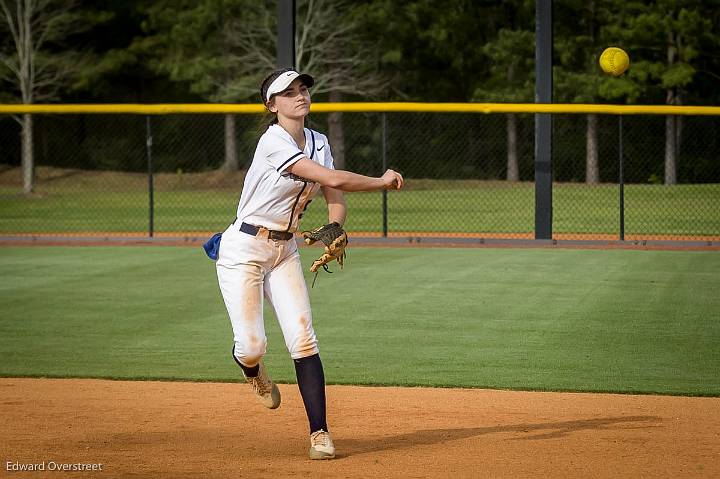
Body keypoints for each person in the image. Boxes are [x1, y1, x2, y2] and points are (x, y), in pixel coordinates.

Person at [211, 68, 403, 460]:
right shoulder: (272, 141)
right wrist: (380, 181)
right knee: (252, 346)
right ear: (272, 104)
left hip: (285, 250)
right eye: (289, 92)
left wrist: (335, 226)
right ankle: (252, 371)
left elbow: (334, 192)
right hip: (245, 248)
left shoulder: (318, 141)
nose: (300, 95)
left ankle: (320, 433)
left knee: (304, 340)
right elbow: (335, 177)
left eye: (302, 89)